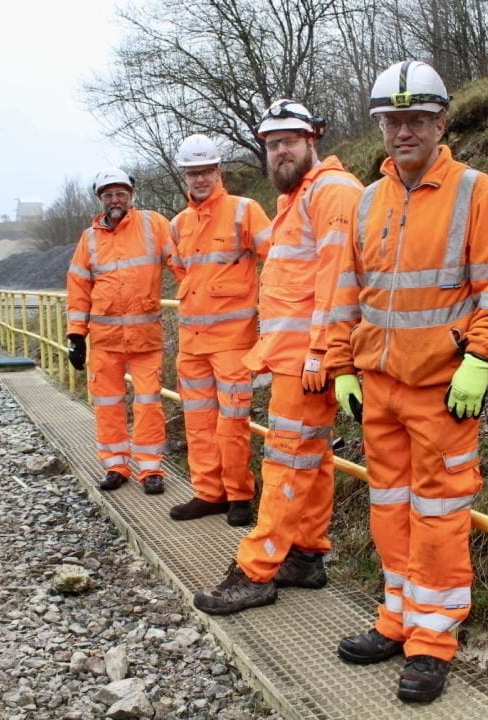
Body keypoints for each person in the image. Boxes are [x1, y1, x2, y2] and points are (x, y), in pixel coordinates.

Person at [325, 61, 488, 703]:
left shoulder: (474, 191)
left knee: (438, 515)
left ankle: (432, 642)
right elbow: (346, 294)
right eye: (393, 121)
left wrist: (480, 358)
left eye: (416, 120)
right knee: (389, 509)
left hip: (442, 389)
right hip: (378, 387)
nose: (403, 131)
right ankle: (397, 619)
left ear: (440, 123)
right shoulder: (367, 199)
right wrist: (340, 365)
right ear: (381, 127)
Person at [193, 100, 363, 614]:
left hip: (309, 360)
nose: (280, 151)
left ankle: (256, 570)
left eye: (289, 140)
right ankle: (306, 555)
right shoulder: (301, 196)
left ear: (314, 138)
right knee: (308, 457)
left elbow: (338, 281)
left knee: (286, 460)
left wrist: (320, 353)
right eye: (271, 144)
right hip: (297, 357)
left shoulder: (330, 192)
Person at [167, 134, 271, 527]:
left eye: (206, 171)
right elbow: (181, 269)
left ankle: (239, 495)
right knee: (198, 421)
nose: (200, 179)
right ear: (184, 176)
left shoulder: (244, 211)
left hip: (232, 343)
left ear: (218, 171)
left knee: (232, 423)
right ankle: (209, 493)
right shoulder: (179, 224)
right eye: (192, 173)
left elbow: (274, 257)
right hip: (192, 343)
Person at [66, 167, 175, 495]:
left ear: (132, 195)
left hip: (145, 339)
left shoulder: (153, 225)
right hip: (105, 341)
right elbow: (79, 287)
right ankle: (115, 465)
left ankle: (151, 469)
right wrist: (75, 335)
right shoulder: (90, 239)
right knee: (108, 403)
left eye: (121, 193)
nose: (116, 199)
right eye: (109, 194)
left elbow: (181, 262)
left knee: (147, 403)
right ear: (100, 200)